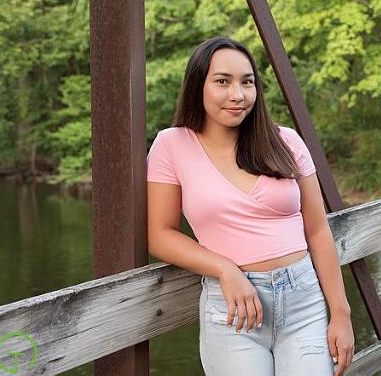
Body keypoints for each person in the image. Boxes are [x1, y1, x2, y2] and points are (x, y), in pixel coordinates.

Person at [146, 36, 354, 375]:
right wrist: (225, 269)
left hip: (304, 303)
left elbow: (317, 230)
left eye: (247, 82)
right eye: (222, 82)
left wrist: (341, 314)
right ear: (198, 85)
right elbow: (159, 234)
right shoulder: (172, 145)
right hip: (234, 309)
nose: (237, 95)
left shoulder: (285, 141)